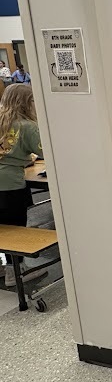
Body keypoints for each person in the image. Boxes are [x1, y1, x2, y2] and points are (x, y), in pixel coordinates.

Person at [0, 85, 46, 288]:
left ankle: (3, 267)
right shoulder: (27, 126)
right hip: (10, 184)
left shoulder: (2, 122)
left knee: (2, 228)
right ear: (26, 102)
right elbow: (47, 151)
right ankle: (15, 271)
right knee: (15, 226)